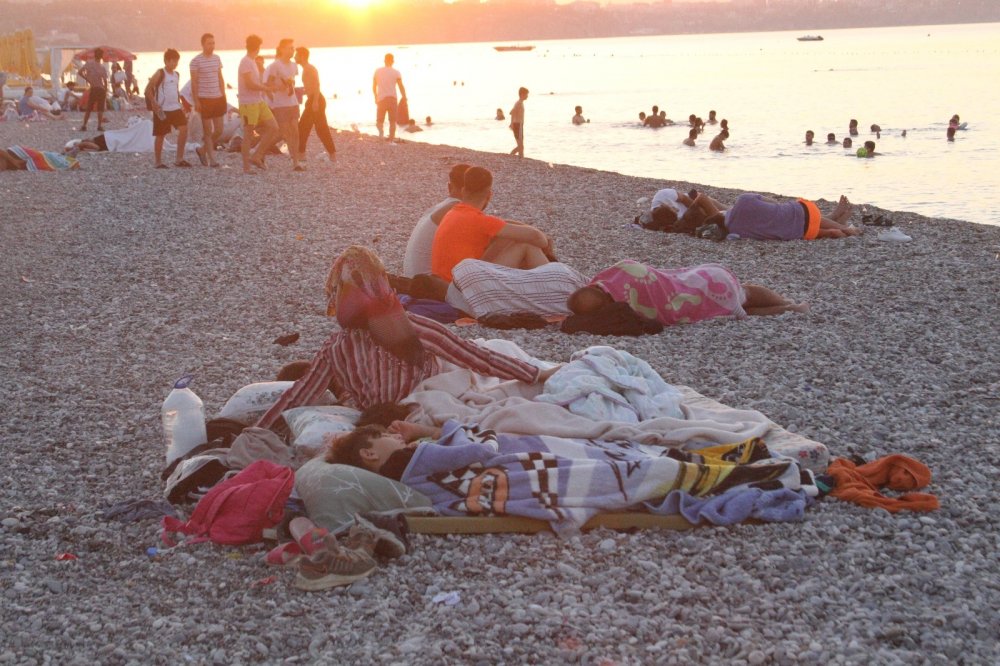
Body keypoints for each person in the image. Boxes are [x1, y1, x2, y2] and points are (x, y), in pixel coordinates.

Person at [254, 246, 549, 429]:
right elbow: (477, 359)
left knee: (474, 355)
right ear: (384, 284)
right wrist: (536, 374)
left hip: (373, 415)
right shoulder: (415, 329)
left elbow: (301, 393)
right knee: (483, 353)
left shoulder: (338, 346)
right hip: (418, 398)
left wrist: (256, 429)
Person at [566, 260, 808, 326]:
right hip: (699, 282)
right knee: (744, 294)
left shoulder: (626, 309)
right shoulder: (614, 272)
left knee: (743, 304)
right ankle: (788, 305)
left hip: (699, 292)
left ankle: (788, 307)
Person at [432, 166, 553, 282]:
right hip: (462, 287)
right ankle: (557, 286)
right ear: (489, 195)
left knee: (507, 239)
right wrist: (545, 241)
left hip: (448, 281)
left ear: (463, 191)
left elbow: (504, 227)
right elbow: (538, 238)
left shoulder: (453, 212)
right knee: (526, 245)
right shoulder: (478, 220)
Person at [682, 191, 860, 240]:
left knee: (803, 224)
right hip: (800, 214)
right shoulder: (744, 200)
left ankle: (836, 224)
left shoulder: (735, 232)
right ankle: (845, 227)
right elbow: (774, 203)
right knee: (798, 211)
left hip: (798, 234)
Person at [403, 164, 470, 277]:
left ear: (449, 187)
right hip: (429, 285)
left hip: (411, 278)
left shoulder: (439, 207)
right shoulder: (457, 210)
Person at [237, 34, 281, 174]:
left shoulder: (252, 61)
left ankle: (257, 155)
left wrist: (266, 86)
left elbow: (255, 83)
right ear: (257, 47)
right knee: (248, 134)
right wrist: (266, 88)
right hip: (248, 104)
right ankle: (246, 167)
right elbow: (250, 84)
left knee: (274, 127)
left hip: (258, 101)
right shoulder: (245, 62)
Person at [264, 38, 304, 172]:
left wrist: (290, 84)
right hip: (280, 104)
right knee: (286, 134)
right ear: (281, 49)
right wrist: (279, 86)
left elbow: (293, 82)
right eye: (289, 48)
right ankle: (260, 151)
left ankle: (296, 162)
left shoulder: (294, 66)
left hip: (292, 102)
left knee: (296, 132)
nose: (292, 50)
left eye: (293, 48)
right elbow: (268, 85)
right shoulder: (275, 65)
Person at [189, 33, 226, 168]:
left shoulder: (217, 59)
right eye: (209, 43)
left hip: (218, 97)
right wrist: (196, 101)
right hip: (204, 99)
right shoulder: (196, 61)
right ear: (203, 44)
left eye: (213, 43)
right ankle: (213, 160)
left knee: (219, 130)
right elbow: (194, 83)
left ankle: (202, 150)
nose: (212, 46)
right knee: (208, 131)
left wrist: (223, 93)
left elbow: (220, 77)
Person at [149, 49, 190, 169]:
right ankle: (158, 162)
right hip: (162, 109)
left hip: (175, 108)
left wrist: (181, 104)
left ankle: (179, 159)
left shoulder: (177, 74)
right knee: (161, 135)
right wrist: (154, 103)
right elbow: (148, 89)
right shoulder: (160, 73)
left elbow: (175, 90)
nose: (175, 64)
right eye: (172, 61)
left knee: (184, 128)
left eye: (176, 61)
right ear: (166, 61)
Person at [294, 47, 336, 162]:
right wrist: (301, 92)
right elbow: (310, 87)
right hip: (313, 99)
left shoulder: (310, 68)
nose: (294, 57)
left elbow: (317, 84)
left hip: (316, 100)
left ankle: (302, 154)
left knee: (304, 127)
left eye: (296, 55)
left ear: (302, 56)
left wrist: (316, 101)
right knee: (318, 128)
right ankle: (332, 154)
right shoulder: (305, 69)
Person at [373, 53, 406, 141]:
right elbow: (400, 86)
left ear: (384, 61)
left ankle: (381, 133)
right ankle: (391, 138)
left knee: (379, 120)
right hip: (392, 99)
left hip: (381, 99)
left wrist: (375, 97)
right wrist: (404, 97)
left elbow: (374, 86)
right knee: (392, 121)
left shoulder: (377, 71)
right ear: (393, 61)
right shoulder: (396, 72)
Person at [78, 49, 109, 132]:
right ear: (101, 56)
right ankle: (99, 126)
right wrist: (106, 91)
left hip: (94, 88)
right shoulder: (102, 67)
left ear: (94, 55)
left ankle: (84, 125)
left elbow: (80, 72)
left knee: (89, 108)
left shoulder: (89, 64)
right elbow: (105, 81)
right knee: (100, 109)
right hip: (101, 89)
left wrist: (87, 79)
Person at [509, 87, 528, 157]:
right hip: (517, 125)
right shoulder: (518, 103)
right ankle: (513, 156)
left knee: (521, 146)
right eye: (526, 94)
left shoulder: (520, 103)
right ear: (522, 94)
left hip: (519, 125)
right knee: (520, 146)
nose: (527, 96)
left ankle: (515, 157)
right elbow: (511, 112)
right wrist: (512, 123)